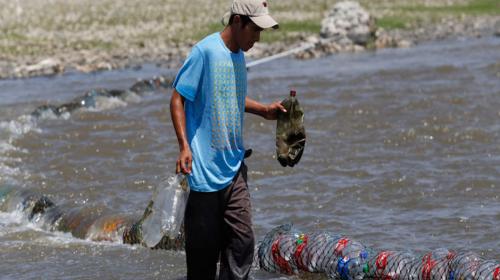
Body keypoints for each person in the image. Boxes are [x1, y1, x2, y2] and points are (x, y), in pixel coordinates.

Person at [169, 0, 284, 278]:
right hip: (204, 173)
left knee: (243, 244)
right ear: (237, 22)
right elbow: (178, 98)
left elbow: (229, 95)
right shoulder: (205, 51)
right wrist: (184, 147)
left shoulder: (239, 55)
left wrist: (264, 110)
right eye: (254, 30)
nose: (257, 38)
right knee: (203, 260)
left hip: (234, 167)